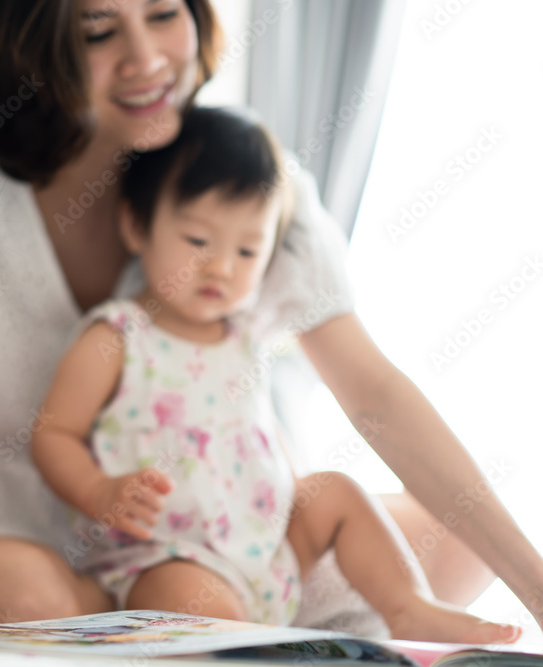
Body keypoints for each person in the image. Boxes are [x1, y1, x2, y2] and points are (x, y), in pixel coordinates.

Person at [0, 0, 543, 635]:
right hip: (15, 543)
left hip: (232, 528)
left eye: (165, 14)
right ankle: (189, 625)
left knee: (462, 535)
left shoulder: (245, 184)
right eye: (99, 29)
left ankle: (216, 625)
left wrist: (533, 582)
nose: (148, 58)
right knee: (24, 596)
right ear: (29, 44)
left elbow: (373, 390)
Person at [31, 106, 519, 643]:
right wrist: (99, 489)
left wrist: (289, 488)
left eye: (247, 250)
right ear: (137, 225)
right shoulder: (118, 336)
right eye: (198, 241)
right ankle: (247, 648)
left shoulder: (245, 336)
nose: (222, 266)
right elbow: (55, 432)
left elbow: (256, 431)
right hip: (166, 555)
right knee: (198, 616)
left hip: (267, 549)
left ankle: (407, 607)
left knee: (337, 491)